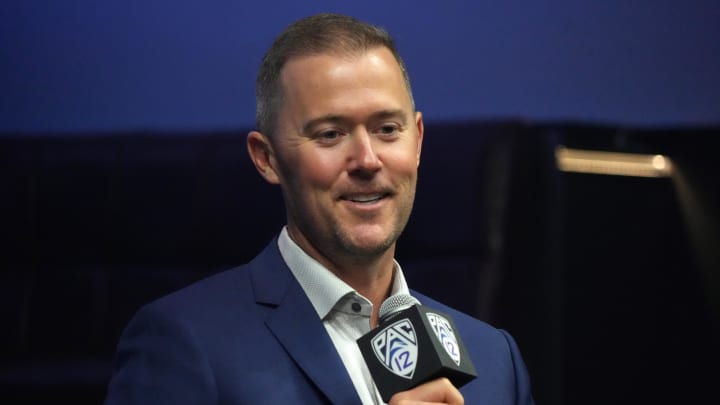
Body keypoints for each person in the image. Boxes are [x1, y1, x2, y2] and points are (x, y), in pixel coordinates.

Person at [105, 13, 535, 405]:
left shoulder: (494, 359)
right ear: (266, 158)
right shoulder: (183, 343)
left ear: (418, 140)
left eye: (387, 129)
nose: (367, 160)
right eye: (330, 134)